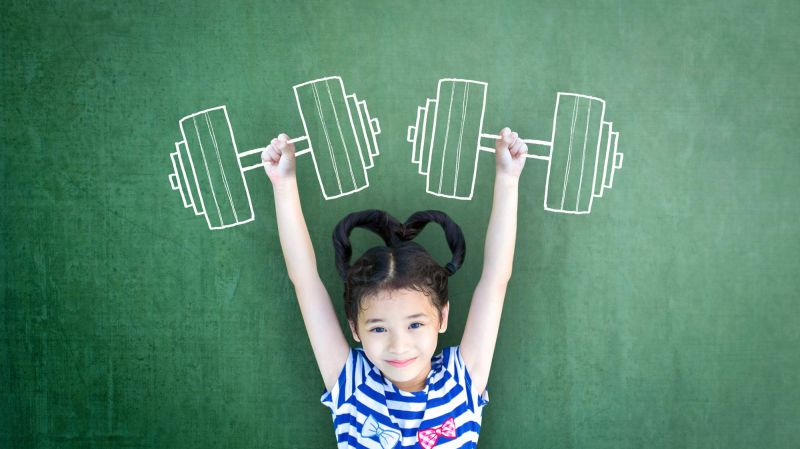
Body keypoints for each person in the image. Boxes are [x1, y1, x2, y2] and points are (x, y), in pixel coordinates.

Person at [262, 128, 527, 448]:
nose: (399, 345)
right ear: (355, 329)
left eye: (415, 324)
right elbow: (304, 280)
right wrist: (284, 185)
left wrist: (508, 178)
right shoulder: (352, 384)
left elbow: (495, 280)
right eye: (377, 329)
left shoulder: (461, 380)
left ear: (442, 317)